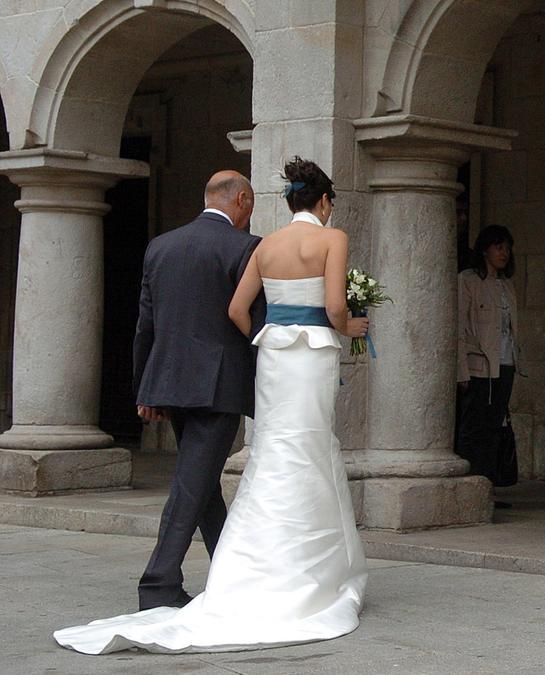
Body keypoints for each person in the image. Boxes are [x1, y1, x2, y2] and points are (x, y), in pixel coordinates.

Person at [53, 157, 370, 654]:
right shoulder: (290, 241)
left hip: (201, 377)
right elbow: (330, 308)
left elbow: (167, 322)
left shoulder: (181, 245)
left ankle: (231, 561)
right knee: (201, 478)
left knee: (217, 475)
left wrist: (147, 388)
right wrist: (346, 326)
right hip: (254, 375)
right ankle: (159, 582)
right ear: (324, 201)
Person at [130, 170, 261, 611]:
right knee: (192, 483)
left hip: (169, 381)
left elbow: (145, 325)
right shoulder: (245, 247)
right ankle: (158, 582)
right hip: (220, 385)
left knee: (201, 482)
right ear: (242, 199)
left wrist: (144, 388)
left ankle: (231, 572)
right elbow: (254, 325)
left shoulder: (160, 246)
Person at [456, 225, 521, 508]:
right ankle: (472, 487)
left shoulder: (506, 285)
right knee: (475, 427)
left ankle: (489, 487)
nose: (504, 253)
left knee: (496, 425)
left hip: (505, 362)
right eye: (498, 247)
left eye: (507, 248)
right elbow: (459, 326)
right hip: (478, 364)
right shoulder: (468, 281)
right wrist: (461, 370)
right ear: (485, 249)